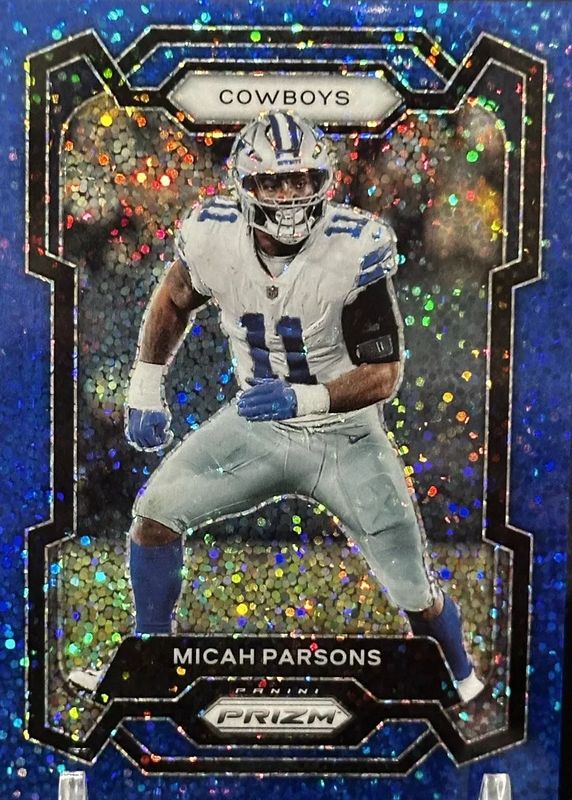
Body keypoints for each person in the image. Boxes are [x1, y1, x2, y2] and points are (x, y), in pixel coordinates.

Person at [70, 110, 483, 703]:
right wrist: (145, 384)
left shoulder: (353, 247)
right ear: (246, 186)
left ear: (322, 180)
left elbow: (384, 373)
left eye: (300, 179)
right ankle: (150, 662)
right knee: (155, 515)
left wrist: (305, 396)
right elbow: (174, 298)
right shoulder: (213, 236)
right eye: (274, 181)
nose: (289, 194)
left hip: (345, 435)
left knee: (413, 586)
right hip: (259, 427)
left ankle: (464, 680)